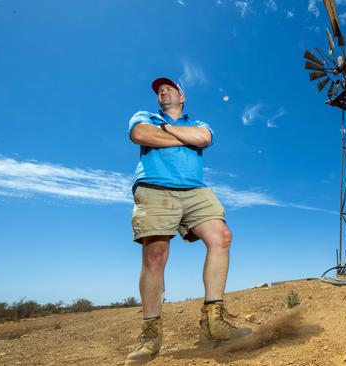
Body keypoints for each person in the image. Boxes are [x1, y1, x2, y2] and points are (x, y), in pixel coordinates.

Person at [124, 77, 250, 365]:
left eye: (169, 88)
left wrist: (167, 131)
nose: (162, 91)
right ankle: (150, 333)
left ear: (182, 97)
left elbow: (203, 139)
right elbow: (141, 135)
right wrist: (182, 135)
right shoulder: (145, 117)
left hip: (195, 190)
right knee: (155, 254)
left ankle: (213, 321)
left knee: (221, 236)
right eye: (159, 90)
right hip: (155, 187)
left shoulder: (200, 123)